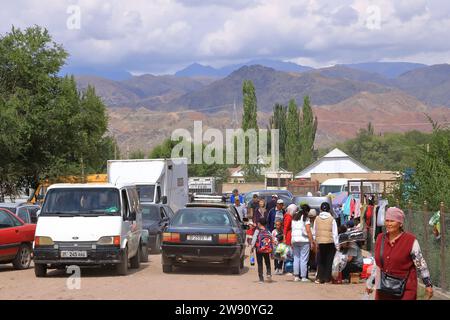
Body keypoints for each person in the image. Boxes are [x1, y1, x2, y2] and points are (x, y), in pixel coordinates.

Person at [366, 207, 433, 300]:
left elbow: (421, 264)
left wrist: (428, 284)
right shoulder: (380, 238)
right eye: (387, 220)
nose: (389, 224)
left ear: (400, 223)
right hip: (384, 289)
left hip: (406, 289)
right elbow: (377, 264)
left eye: (392, 221)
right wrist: (370, 282)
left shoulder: (410, 241)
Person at [314, 202, 339, 284]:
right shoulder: (332, 219)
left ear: (321, 209)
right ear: (329, 209)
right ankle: (327, 279)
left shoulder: (317, 219)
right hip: (330, 243)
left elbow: (315, 231)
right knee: (329, 261)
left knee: (320, 261)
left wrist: (315, 241)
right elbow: (335, 233)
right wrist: (337, 245)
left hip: (320, 242)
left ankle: (319, 278)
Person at [291, 204, 315, 282]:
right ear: (307, 211)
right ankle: (303, 276)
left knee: (296, 258)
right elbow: (308, 231)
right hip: (304, 240)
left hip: (295, 240)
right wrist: (312, 241)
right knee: (304, 259)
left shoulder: (294, 218)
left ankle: (296, 276)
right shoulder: (306, 218)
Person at [251, 217, 274, 283]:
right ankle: (269, 273)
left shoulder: (257, 230)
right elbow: (272, 239)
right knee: (267, 261)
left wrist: (252, 247)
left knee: (260, 263)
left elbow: (254, 239)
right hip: (266, 249)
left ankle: (261, 279)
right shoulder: (268, 230)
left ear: (259, 223)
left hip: (259, 249)